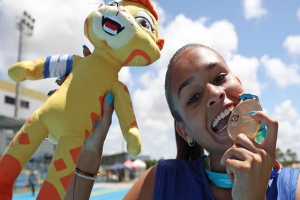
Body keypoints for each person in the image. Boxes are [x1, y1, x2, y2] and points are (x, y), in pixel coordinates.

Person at [63, 44, 300, 199]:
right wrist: (89, 152)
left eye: (219, 77)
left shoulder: (293, 188)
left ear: (239, 83)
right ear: (184, 131)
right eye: (194, 97)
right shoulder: (160, 183)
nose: (214, 93)